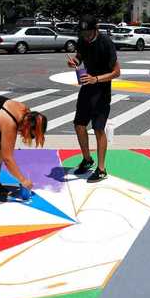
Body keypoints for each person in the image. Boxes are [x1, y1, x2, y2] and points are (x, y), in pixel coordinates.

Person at [66, 15, 121, 183]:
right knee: (79, 125)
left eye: (89, 32)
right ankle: (87, 159)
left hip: (102, 90)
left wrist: (96, 79)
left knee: (98, 129)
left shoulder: (106, 43)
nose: (86, 36)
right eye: (83, 33)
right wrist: (74, 62)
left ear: (95, 29)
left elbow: (117, 72)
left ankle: (102, 169)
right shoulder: (82, 41)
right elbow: (80, 56)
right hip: (87, 88)